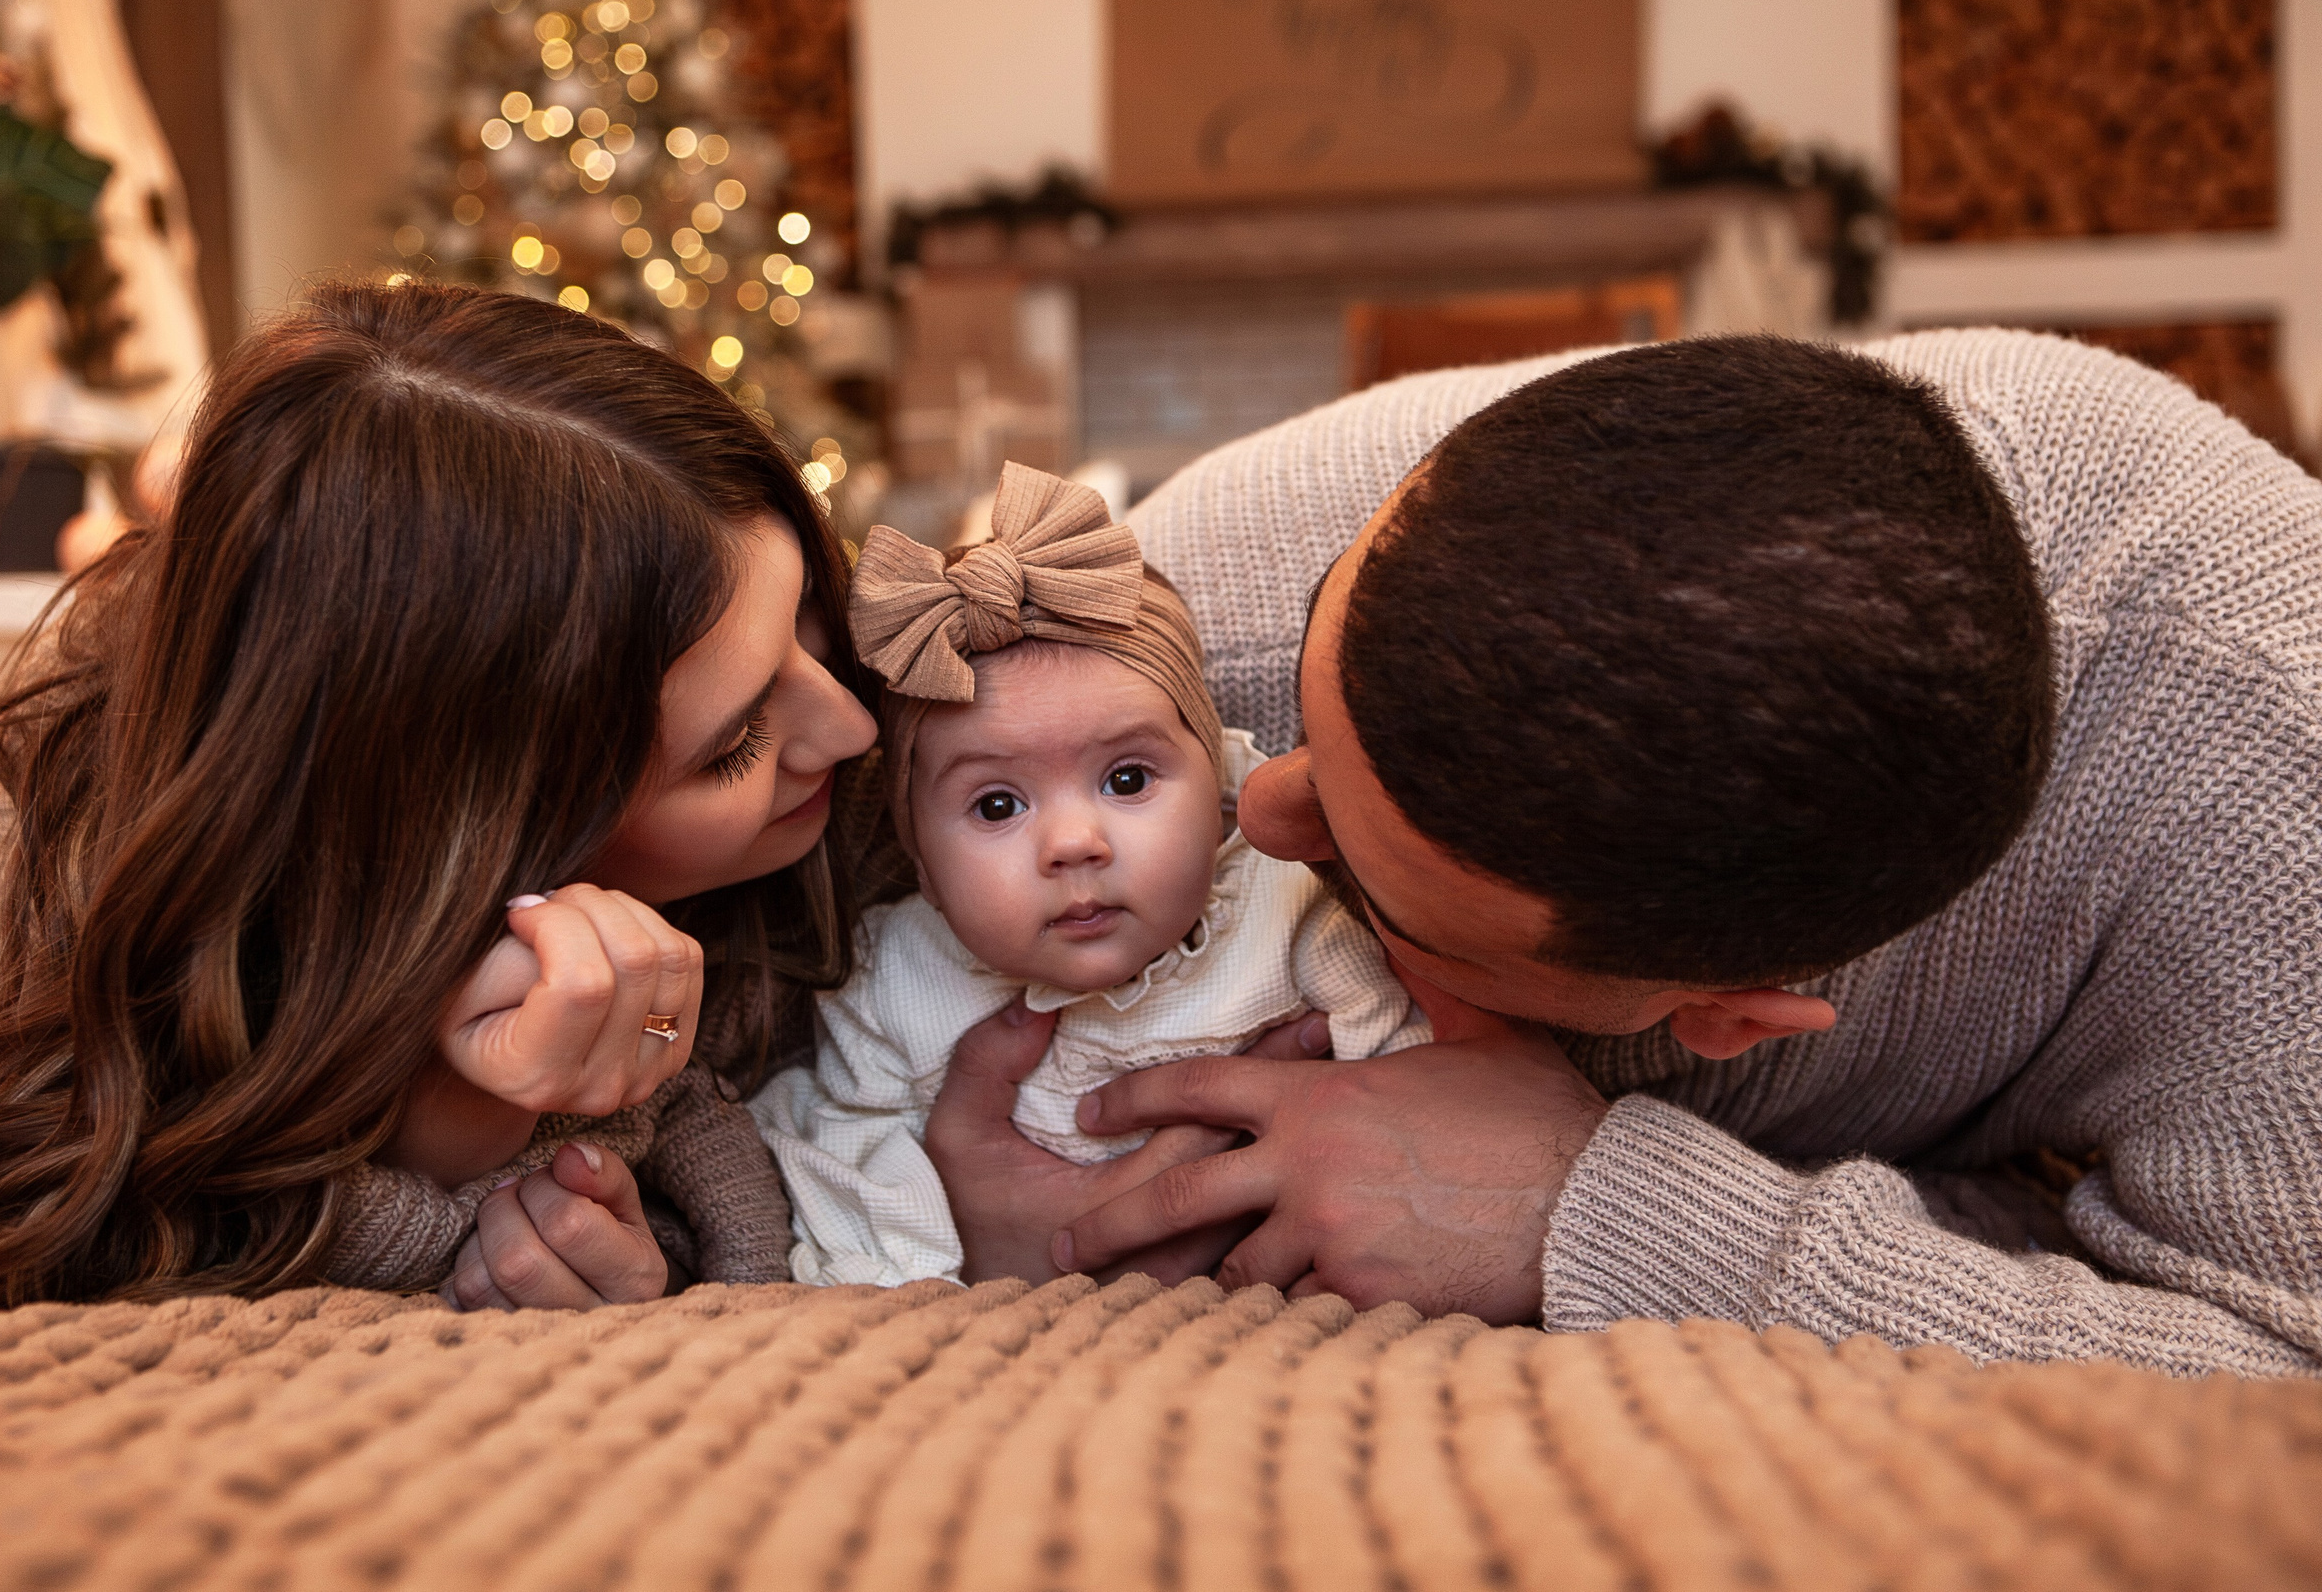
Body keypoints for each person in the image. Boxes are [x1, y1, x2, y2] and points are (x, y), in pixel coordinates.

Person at [923, 331, 2322, 1378]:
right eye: (1313, 677)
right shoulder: (1177, 624)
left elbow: (2272, 1381)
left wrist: (1603, 1204)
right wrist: (951, 1200)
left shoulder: (2279, 812)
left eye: (1366, 870)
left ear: (1730, 1012)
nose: (1260, 804)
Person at [0, 282, 881, 1316]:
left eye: (811, 624)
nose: (855, 725)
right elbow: (46, 1217)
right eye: (736, 740)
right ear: (478, 825)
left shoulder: (916, 780)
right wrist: (475, 1147)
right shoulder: (142, 959)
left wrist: (649, 1149)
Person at [750, 464, 1424, 1286]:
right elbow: (847, 1150)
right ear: (920, 864)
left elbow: (1405, 1078)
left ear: (1216, 793)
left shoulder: (1288, 908)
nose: (1074, 843)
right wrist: (916, 1288)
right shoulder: (893, 982)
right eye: (997, 805)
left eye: (1128, 780)